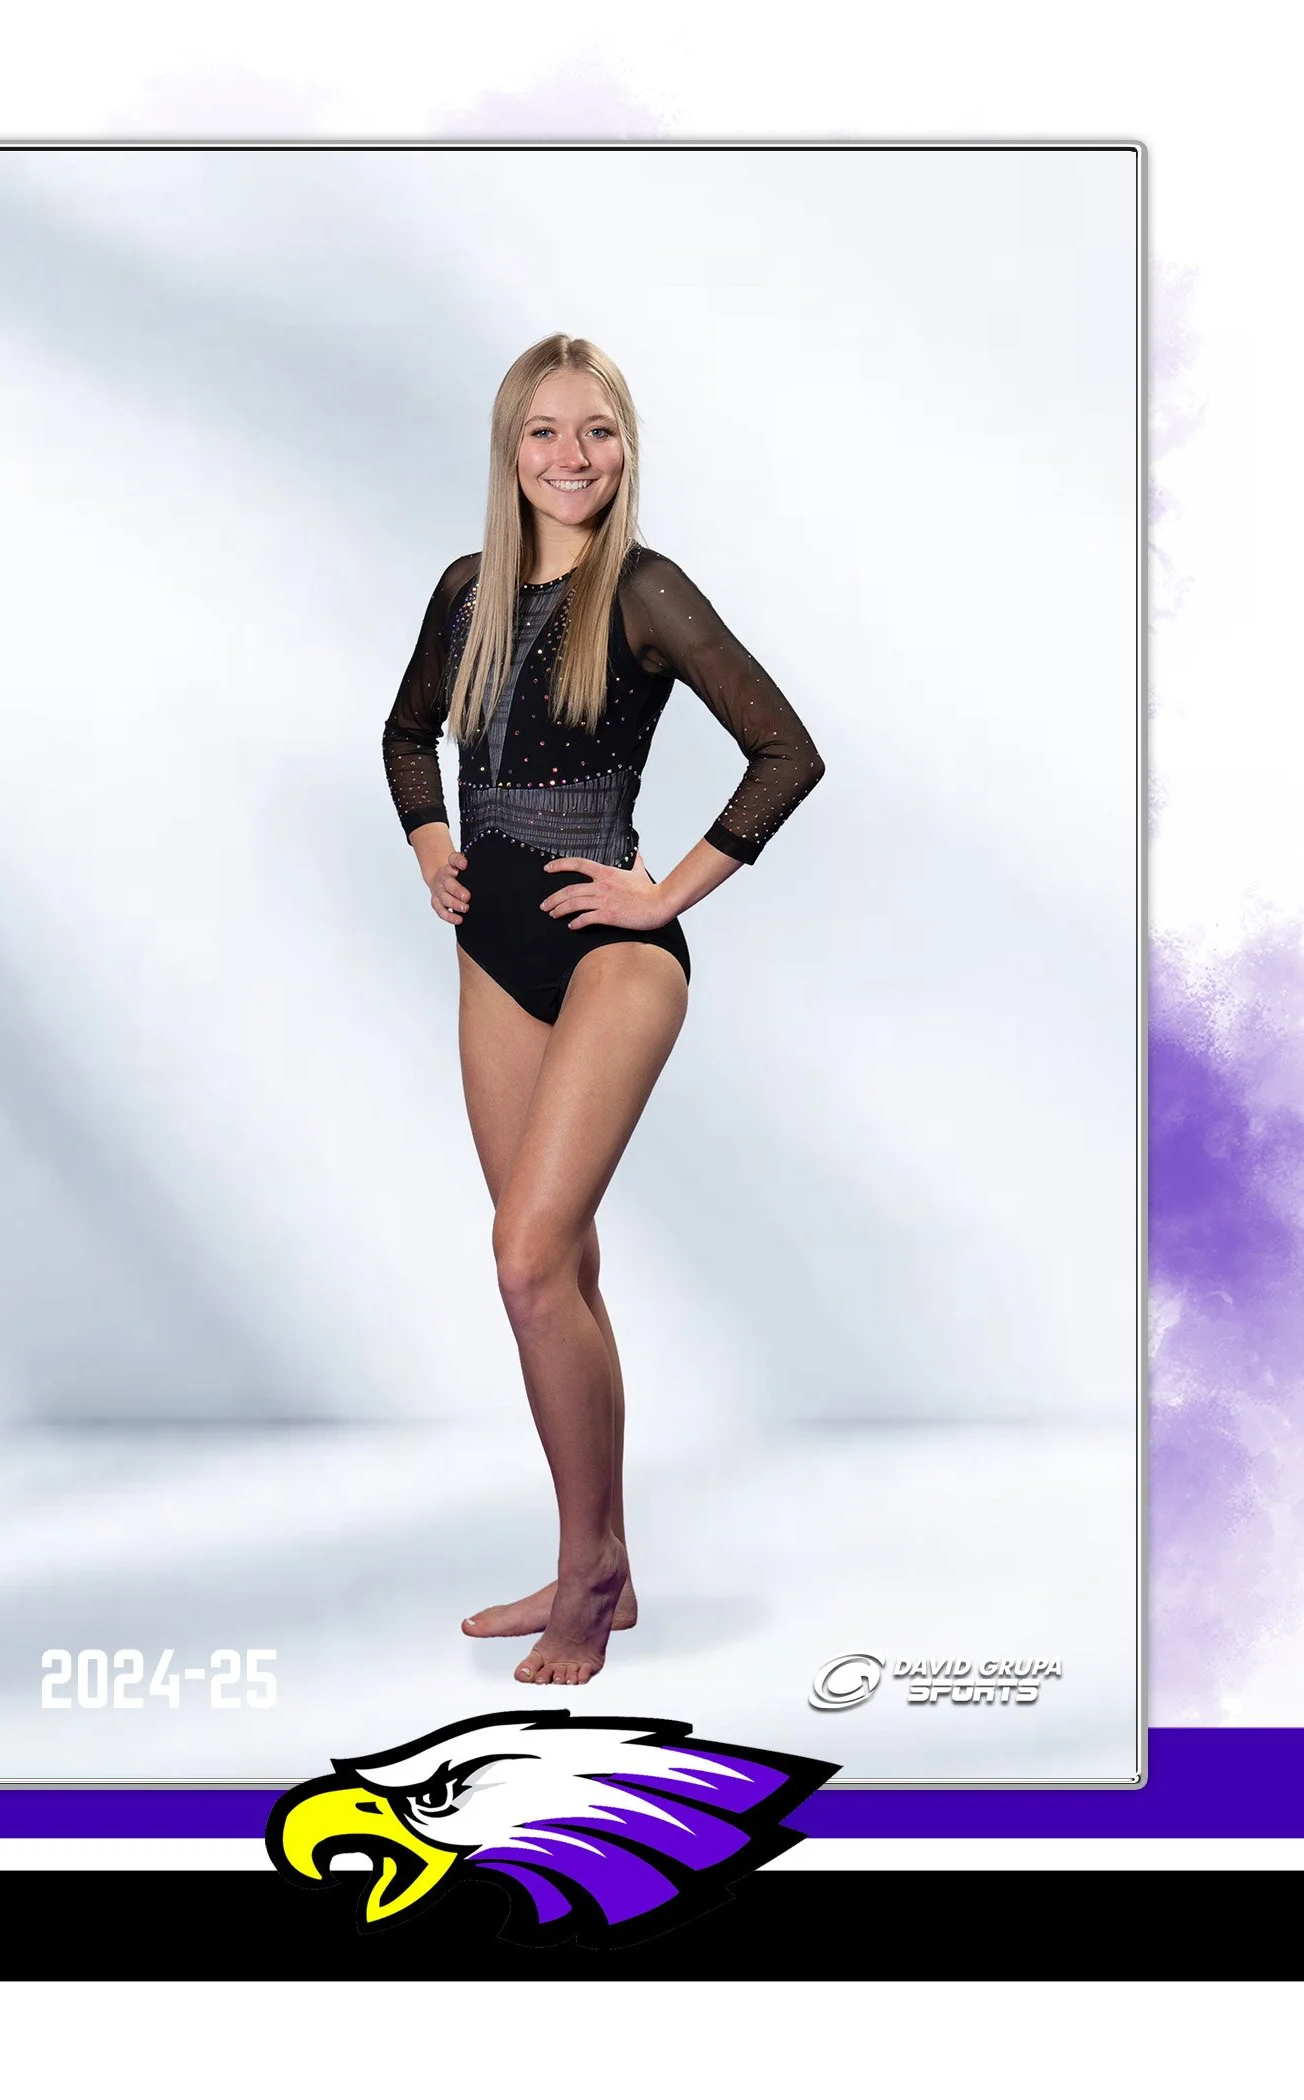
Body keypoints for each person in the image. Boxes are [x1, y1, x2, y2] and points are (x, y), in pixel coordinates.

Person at [382, 334, 825, 1686]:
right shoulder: (465, 590)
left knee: (525, 1256)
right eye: (546, 434)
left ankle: (590, 1582)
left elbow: (786, 751)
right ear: (509, 450)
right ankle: (602, 1556)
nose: (573, 458)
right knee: (552, 1275)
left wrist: (665, 894)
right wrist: (430, 846)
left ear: (627, 452)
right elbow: (409, 735)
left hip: (612, 958)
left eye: (600, 434)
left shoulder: (646, 591)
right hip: (494, 953)